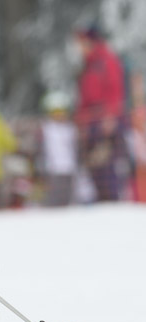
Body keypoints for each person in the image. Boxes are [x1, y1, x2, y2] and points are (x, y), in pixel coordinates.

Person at [74, 25, 126, 201]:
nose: (79, 46)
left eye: (81, 42)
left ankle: (112, 201)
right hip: (90, 122)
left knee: (107, 164)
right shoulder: (88, 63)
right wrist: (81, 121)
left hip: (104, 119)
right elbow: (84, 96)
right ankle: (102, 202)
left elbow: (115, 89)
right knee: (93, 164)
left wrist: (110, 116)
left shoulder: (106, 60)